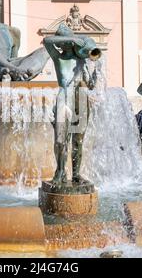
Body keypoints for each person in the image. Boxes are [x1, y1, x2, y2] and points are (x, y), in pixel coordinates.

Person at [43, 23, 102, 184]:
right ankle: (60, 171)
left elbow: (92, 52)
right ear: (61, 42)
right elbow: (47, 40)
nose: (69, 43)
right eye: (65, 39)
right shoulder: (58, 57)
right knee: (60, 139)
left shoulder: (81, 59)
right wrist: (72, 39)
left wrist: (94, 77)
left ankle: (76, 174)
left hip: (81, 97)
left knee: (79, 139)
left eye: (70, 38)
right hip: (64, 96)